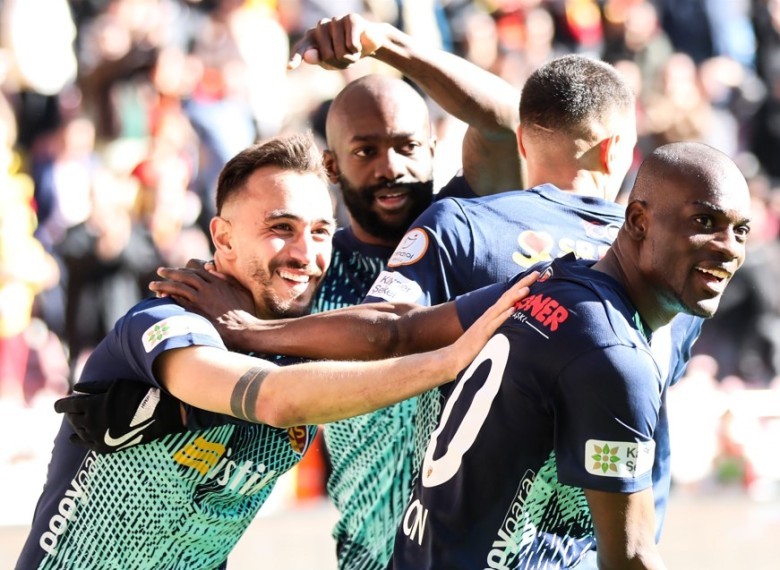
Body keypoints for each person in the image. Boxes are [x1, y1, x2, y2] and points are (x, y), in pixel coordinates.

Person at [57, 51, 656, 570]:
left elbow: (509, 121)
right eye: (366, 150)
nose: (390, 166)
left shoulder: (471, 234)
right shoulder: (311, 272)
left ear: (434, 150)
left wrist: (386, 43)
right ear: (334, 166)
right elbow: (261, 363)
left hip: (475, 551)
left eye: (407, 147)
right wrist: (177, 398)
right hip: (366, 556)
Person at [15, 132, 534, 570]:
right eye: (280, 228)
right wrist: (446, 362)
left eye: (320, 231)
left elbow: (497, 129)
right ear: (223, 238)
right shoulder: (165, 321)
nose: (305, 254)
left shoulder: (305, 338)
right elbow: (273, 399)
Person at [390, 141, 751, 569]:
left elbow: (398, 331)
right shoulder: (614, 355)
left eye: (741, 231)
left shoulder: (553, 279)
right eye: (704, 221)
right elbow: (630, 557)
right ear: (637, 220)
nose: (729, 247)